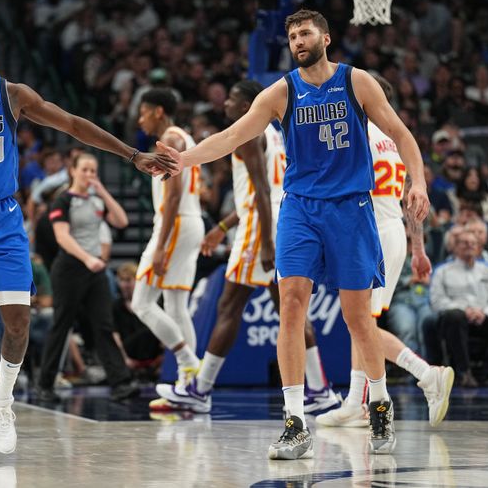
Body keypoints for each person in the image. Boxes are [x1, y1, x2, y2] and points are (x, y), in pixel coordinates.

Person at [0, 24, 175, 466]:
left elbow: (75, 124)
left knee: (19, 322)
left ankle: (2, 398)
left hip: (3, 217)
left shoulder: (12, 95)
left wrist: (132, 155)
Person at [155, 10, 429, 458]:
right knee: (291, 308)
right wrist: (185, 160)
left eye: (305, 33)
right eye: (292, 36)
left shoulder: (357, 82)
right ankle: (295, 421)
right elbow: (232, 135)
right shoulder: (281, 92)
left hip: (352, 208)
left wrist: (417, 182)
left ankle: (379, 403)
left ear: (326, 36)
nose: (298, 41)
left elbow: (401, 134)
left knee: (359, 319)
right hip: (300, 209)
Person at [153, 80, 338, 414]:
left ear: (247, 106)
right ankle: (320, 389)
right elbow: (259, 193)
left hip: (261, 228)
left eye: (233, 101)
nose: (226, 105)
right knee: (289, 311)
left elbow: (262, 194)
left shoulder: (249, 134)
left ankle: (201, 389)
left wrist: (265, 241)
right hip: (278, 220)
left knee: (230, 304)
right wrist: (222, 227)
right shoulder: (274, 134)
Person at [316, 74, 454, 429]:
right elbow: (414, 199)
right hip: (393, 232)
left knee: (360, 323)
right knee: (361, 320)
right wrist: (418, 249)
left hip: (370, 232)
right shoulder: (395, 141)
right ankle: (355, 402)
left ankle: (427, 374)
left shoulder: (359, 133)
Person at [36, 153, 138, 402]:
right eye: (85, 170)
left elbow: (121, 221)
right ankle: (45, 384)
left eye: (93, 171)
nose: (89, 175)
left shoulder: (96, 201)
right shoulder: (62, 200)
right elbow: (62, 237)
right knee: (62, 324)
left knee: (103, 324)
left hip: (94, 269)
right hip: (70, 267)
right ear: (73, 171)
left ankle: (120, 382)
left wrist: (102, 191)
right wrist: (87, 258)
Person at [130, 88, 205, 410]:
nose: (140, 119)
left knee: (142, 302)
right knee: (175, 306)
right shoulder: (182, 137)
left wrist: (160, 246)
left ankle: (190, 365)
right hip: (190, 221)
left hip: (175, 224)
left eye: (144, 112)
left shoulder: (172, 141)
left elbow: (173, 196)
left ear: (159, 112)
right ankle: (191, 388)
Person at [429, 229, 488, 388]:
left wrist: (485, 312)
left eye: (473, 244)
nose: (469, 246)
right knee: (454, 316)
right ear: (455, 247)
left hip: (484, 318)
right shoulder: (442, 271)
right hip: (457, 321)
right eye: (464, 243)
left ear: (479, 248)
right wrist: (464, 310)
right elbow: (437, 301)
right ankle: (464, 373)